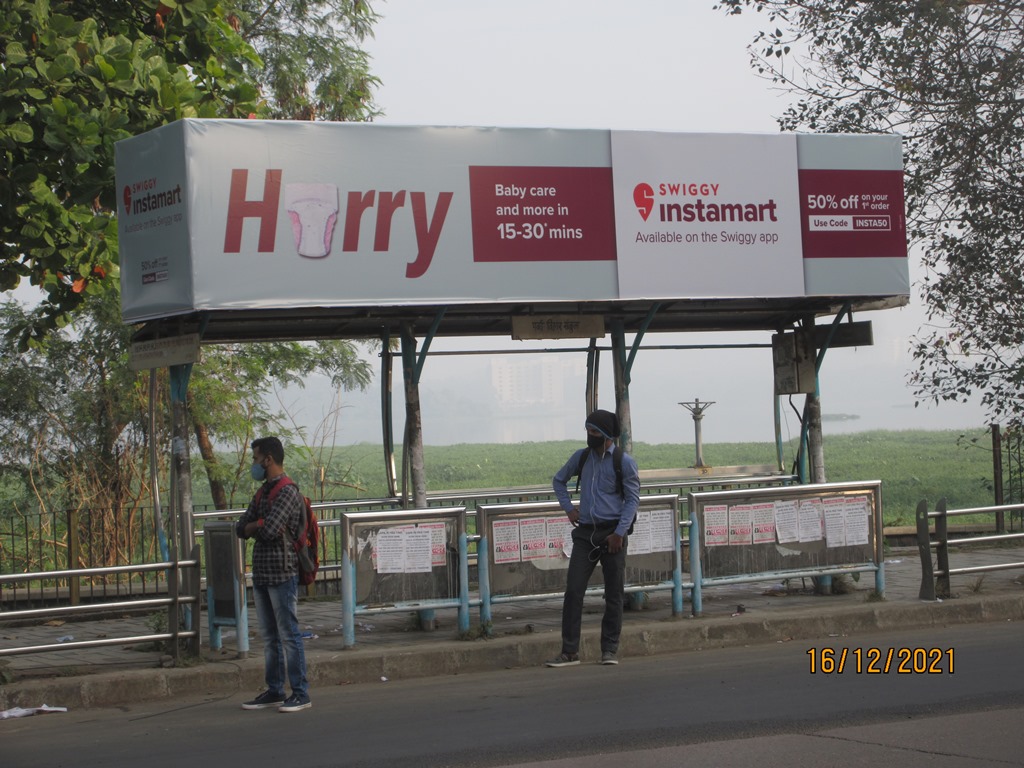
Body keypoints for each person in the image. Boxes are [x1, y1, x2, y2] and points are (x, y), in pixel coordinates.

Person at [547, 409, 640, 667]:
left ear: (607, 435)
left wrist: (619, 533)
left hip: (612, 534)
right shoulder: (582, 457)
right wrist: (569, 508)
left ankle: (609, 649)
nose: (590, 435)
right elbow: (558, 481)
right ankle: (569, 652)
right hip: (585, 533)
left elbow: (632, 500)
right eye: (588, 430)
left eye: (594, 432)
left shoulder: (624, 462)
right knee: (574, 591)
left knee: (614, 594)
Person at [235, 436, 311, 712]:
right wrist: (259, 523)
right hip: (262, 573)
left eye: (256, 458)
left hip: (282, 573)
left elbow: (268, 531)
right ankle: (275, 690)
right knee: (270, 637)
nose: (254, 463)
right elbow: (240, 528)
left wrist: (257, 525)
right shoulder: (262, 492)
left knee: (289, 634)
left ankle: (301, 692)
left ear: (268, 459)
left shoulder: (287, 491)